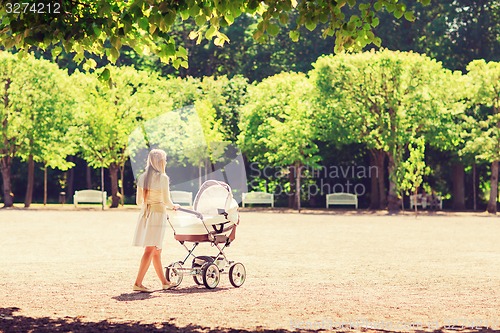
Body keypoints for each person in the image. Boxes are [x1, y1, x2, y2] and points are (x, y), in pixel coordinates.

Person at [132, 149, 180, 292]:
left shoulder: (143, 177)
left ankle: (164, 282)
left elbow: (138, 201)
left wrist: (150, 203)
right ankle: (138, 283)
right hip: (157, 215)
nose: (166, 162)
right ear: (160, 162)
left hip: (146, 214)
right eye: (164, 159)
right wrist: (173, 206)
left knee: (156, 250)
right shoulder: (162, 178)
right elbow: (166, 200)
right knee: (151, 248)